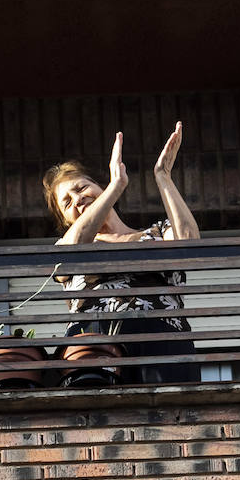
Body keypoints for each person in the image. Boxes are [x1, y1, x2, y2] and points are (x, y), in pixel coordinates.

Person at [41, 123, 201, 384]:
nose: (78, 199)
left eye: (81, 189)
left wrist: (163, 176)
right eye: (67, 202)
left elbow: (189, 243)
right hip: (94, 352)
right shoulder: (67, 243)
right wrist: (116, 186)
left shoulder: (158, 233)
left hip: (165, 344)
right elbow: (69, 255)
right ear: (67, 222)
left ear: (98, 188)